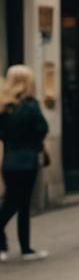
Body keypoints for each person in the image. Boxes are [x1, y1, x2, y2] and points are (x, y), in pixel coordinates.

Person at [0, 65, 49, 262]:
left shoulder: (4, 107)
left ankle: (7, 245)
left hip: (9, 160)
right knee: (21, 205)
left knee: (11, 201)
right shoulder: (30, 106)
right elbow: (42, 128)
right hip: (27, 160)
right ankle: (26, 248)